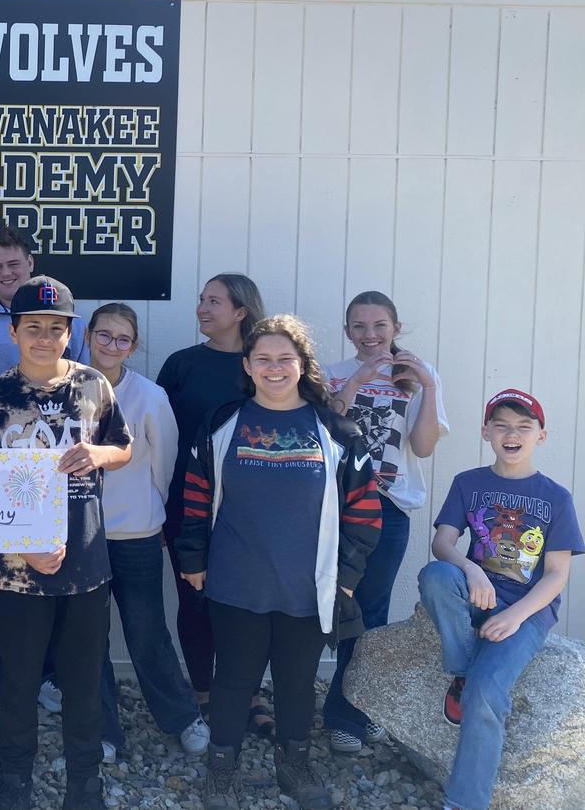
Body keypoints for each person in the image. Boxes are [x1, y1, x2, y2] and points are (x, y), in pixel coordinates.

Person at [177, 314, 381, 810]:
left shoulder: (336, 431)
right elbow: (196, 495)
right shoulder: (223, 423)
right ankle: (222, 770)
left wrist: (347, 579)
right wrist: (192, 558)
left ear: (301, 365)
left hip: (308, 587)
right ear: (247, 365)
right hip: (235, 581)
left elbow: (364, 511)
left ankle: (294, 764)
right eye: (263, 359)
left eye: (284, 359)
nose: (273, 368)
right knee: (234, 680)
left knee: (295, 680)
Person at [0, 276, 132, 810]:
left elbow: (122, 447)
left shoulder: (92, 385)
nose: (43, 337)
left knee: (83, 685)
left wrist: (99, 456)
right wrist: (22, 545)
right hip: (16, 569)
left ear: (69, 333)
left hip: (85, 561)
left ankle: (86, 789)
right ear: (13, 332)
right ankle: (15, 790)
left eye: (55, 328)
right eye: (32, 327)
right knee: (17, 685)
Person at [418, 389, 582, 810]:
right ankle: (462, 669)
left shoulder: (556, 497)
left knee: (488, 692)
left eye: (524, 427)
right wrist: (470, 567)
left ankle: (463, 803)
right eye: (502, 425)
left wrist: (516, 617)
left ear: (540, 436)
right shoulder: (468, 483)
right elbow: (443, 542)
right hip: (474, 593)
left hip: (525, 611)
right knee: (436, 576)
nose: (513, 434)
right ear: (486, 432)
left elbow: (557, 574)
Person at [321, 291, 450, 753]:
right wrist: (357, 381)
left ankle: (352, 710)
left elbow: (424, 446)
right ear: (347, 331)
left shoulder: (418, 377)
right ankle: (348, 709)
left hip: (390, 507)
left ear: (396, 328)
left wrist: (429, 387)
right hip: (335, 506)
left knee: (370, 613)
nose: (370, 335)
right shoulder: (331, 375)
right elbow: (327, 430)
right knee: (326, 606)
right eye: (359, 326)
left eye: (379, 326)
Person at [84, 303, 209, 765]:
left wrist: (154, 516)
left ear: (133, 346)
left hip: (136, 533)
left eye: (122, 339)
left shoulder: (151, 396)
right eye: (104, 335)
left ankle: (181, 717)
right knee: (88, 637)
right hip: (79, 537)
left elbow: (166, 466)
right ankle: (102, 731)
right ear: (88, 336)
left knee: (146, 630)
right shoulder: (65, 389)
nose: (111, 345)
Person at [155, 273, 267, 727]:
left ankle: (250, 694)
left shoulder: (262, 365)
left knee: (249, 605)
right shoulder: (181, 365)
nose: (202, 308)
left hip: (250, 508)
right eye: (201, 300)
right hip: (188, 504)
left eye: (213, 301)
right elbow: (158, 442)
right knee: (195, 600)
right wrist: (162, 509)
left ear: (240, 312)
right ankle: (203, 692)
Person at [0, 226, 87, 375]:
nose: (6, 273)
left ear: (30, 263)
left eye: (13, 264)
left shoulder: (70, 321)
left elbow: (85, 379)